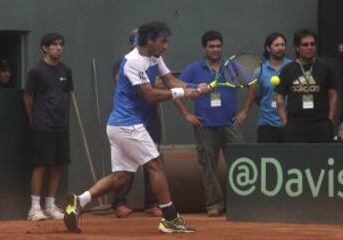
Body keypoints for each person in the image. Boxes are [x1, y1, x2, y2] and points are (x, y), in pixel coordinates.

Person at [63, 21, 210, 233]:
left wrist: (196, 88)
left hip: (120, 125)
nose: (166, 46)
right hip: (127, 125)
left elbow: (170, 81)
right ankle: (170, 219)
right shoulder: (132, 62)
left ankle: (80, 201)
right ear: (149, 40)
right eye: (163, 41)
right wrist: (182, 93)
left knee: (122, 177)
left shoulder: (155, 57)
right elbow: (149, 95)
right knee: (155, 165)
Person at [179, 30, 257, 217]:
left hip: (231, 125)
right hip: (205, 126)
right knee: (208, 167)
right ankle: (214, 205)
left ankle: (240, 204)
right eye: (211, 46)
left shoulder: (232, 67)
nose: (215, 49)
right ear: (204, 48)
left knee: (240, 164)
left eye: (218, 46)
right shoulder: (194, 68)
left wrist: (244, 111)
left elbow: (253, 85)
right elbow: (177, 89)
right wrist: (187, 115)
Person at [111, 29, 162, 218]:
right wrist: (155, 85)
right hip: (129, 122)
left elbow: (163, 82)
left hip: (151, 121)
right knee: (126, 167)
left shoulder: (155, 61)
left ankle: (152, 203)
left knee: (153, 163)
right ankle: (119, 202)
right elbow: (145, 88)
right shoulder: (125, 62)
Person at [23, 32, 74, 221]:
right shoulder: (36, 71)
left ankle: (50, 206)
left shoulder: (66, 71)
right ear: (44, 48)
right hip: (42, 125)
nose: (59, 48)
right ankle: (35, 208)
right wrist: (34, 119)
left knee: (58, 166)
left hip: (61, 126)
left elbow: (65, 95)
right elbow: (28, 97)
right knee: (41, 165)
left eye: (61, 44)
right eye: (54, 44)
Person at [275, 29, 338, 143]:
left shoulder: (326, 68)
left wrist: (331, 119)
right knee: (296, 160)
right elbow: (279, 98)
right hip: (295, 126)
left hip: (321, 125)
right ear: (297, 48)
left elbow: (333, 95)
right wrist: (285, 123)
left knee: (321, 160)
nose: (309, 47)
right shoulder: (287, 70)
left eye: (312, 44)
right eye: (305, 44)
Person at [256, 32, 291, 143]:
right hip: (266, 125)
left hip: (290, 124)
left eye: (282, 45)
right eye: (276, 45)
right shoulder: (259, 71)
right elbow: (257, 97)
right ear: (268, 48)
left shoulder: (293, 67)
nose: (280, 48)